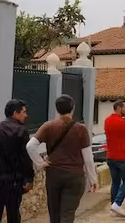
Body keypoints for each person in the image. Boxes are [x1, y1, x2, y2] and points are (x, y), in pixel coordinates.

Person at [26, 95, 98, 223]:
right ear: (73, 108)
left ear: (57, 109)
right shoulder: (81, 129)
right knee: (67, 213)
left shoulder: (48, 126)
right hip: (75, 176)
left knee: (54, 213)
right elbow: (88, 158)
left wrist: (41, 163)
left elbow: (30, 146)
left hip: (54, 174)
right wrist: (93, 179)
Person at [0, 99, 35, 223]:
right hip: (13, 181)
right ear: (15, 113)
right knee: (13, 214)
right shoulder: (21, 131)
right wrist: (29, 179)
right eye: (24, 112)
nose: (26, 115)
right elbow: (25, 158)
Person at [104, 100, 125, 217]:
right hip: (124, 157)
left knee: (115, 182)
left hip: (111, 157)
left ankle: (113, 207)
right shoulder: (123, 123)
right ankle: (117, 204)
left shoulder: (107, 121)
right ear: (118, 108)